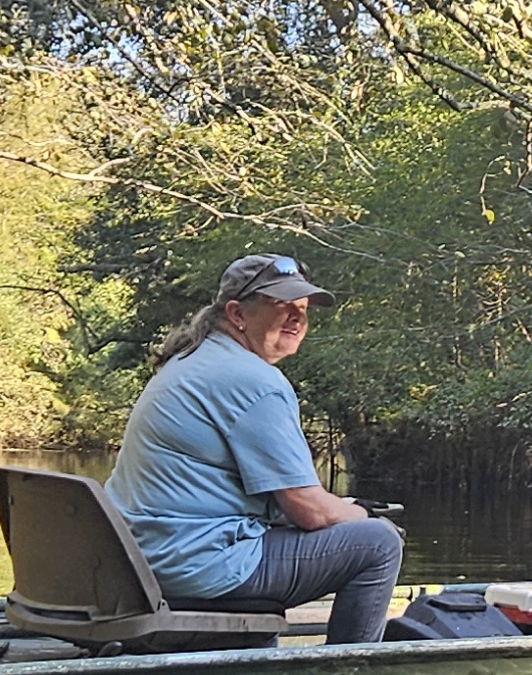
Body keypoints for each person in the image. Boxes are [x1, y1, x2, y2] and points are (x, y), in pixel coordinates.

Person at [109, 253, 403, 644]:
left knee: (343, 526)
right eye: (281, 306)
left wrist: (345, 510)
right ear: (237, 314)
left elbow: (249, 500)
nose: (297, 319)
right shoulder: (254, 381)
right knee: (379, 541)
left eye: (302, 309)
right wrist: (360, 514)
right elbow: (309, 509)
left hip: (140, 563)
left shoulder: (190, 360)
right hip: (194, 569)